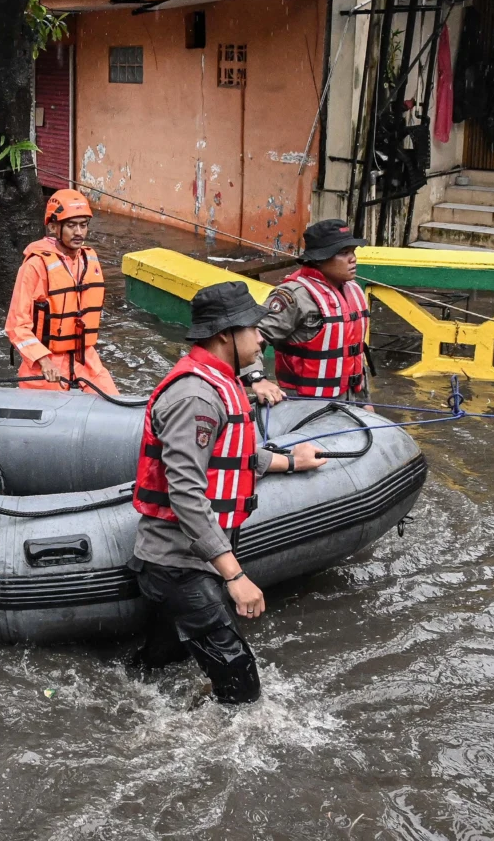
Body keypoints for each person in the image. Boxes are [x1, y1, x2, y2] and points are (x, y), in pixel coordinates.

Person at [130, 281, 327, 704]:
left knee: (161, 663)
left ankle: (133, 703)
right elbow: (185, 492)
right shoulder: (195, 397)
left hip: (194, 560)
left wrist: (293, 461)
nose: (261, 338)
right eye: (253, 328)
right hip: (178, 563)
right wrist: (235, 576)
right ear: (224, 334)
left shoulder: (222, 382)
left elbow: (238, 457)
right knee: (241, 682)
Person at [243, 218, 371, 407]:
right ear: (320, 259)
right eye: (343, 253)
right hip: (304, 404)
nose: (353, 258)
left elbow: (355, 355)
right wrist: (257, 379)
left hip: (351, 402)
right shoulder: (293, 296)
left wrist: (365, 401)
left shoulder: (353, 290)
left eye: (352, 251)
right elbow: (250, 339)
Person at [4, 188, 119, 395]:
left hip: (85, 360)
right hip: (46, 362)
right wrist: (44, 360)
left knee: (115, 405)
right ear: (54, 227)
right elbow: (16, 324)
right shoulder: (35, 265)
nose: (79, 233)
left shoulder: (88, 260)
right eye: (71, 226)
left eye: (83, 225)